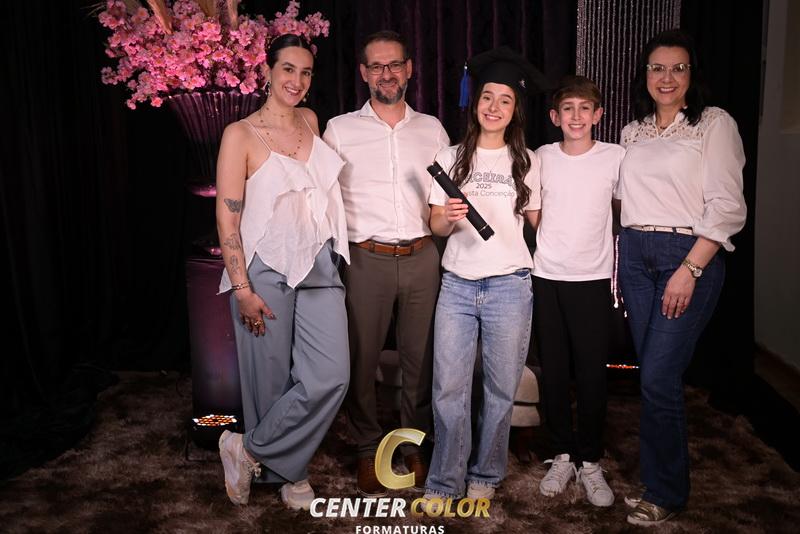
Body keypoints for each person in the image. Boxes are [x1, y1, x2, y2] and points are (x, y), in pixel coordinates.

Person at [215, 34, 350, 511]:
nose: (297, 80)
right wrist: (242, 288)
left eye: (306, 72)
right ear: (267, 72)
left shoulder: (311, 121)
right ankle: (292, 473)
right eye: (288, 69)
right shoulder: (240, 134)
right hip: (263, 269)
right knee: (269, 381)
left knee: (331, 374)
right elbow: (227, 218)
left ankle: (247, 449)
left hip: (318, 261)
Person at [617, 29, 746, 526]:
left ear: (693, 75)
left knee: (658, 375)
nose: (666, 77)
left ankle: (667, 492)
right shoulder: (633, 131)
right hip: (635, 256)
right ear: (645, 75)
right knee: (653, 376)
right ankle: (657, 482)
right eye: (657, 68)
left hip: (687, 254)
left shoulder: (713, 124)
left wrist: (690, 269)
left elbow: (727, 205)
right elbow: (621, 198)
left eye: (678, 68)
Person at [322, 30, 449, 496]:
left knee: (421, 358)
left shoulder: (433, 129)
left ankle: (412, 443)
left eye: (394, 64)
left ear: (409, 69)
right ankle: (366, 446)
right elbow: (323, 197)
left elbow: (444, 198)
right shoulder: (339, 130)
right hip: (365, 259)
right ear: (363, 73)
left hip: (422, 256)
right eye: (376, 66)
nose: (386, 74)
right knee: (362, 358)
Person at [423, 46, 545, 501]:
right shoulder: (450, 156)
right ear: (475, 102)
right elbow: (436, 226)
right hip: (457, 285)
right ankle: (445, 480)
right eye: (487, 97)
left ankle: (485, 477)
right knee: (448, 389)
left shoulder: (529, 160)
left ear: (515, 111)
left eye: (505, 100)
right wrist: (448, 216)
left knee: (499, 389)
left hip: (510, 286)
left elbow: (539, 225)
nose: (494, 107)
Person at [532, 75, 624, 507]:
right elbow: (534, 214)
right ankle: (562, 454)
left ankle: (590, 459)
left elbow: (621, 210)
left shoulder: (615, 158)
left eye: (585, 108)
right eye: (567, 108)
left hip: (592, 278)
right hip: (548, 275)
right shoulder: (542, 157)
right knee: (554, 370)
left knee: (591, 373)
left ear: (598, 115)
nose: (576, 116)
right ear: (555, 116)